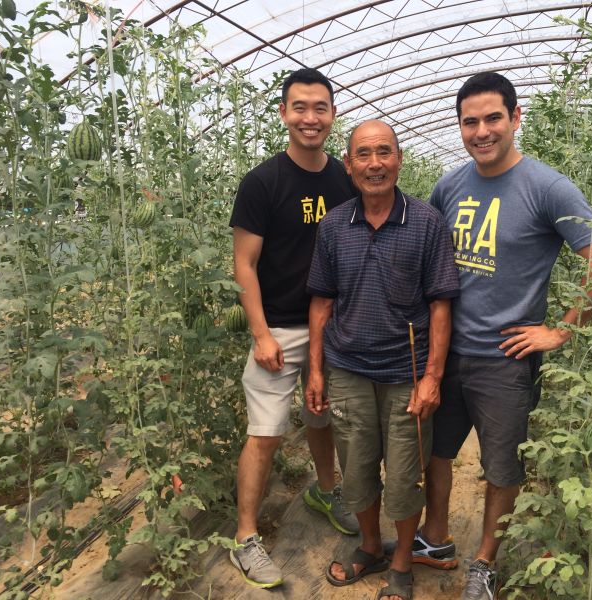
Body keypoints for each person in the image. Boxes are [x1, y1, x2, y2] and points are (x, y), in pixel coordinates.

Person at [419, 72, 592, 600]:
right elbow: (427, 257)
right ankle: (434, 538)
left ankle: (484, 561)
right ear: (460, 127)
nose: (482, 131)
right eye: (470, 121)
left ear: (515, 118)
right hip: (445, 354)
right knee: (436, 454)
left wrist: (560, 332)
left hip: (505, 360)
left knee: (502, 466)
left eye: (493, 118)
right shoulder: (450, 184)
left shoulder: (547, 187)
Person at [305, 120, 459, 600]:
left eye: (384, 152)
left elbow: (440, 304)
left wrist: (432, 375)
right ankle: (370, 545)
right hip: (348, 369)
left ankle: (400, 562)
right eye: (364, 155)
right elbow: (322, 303)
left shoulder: (427, 222)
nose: (375, 164)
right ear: (348, 165)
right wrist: (315, 368)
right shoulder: (334, 226)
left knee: (406, 469)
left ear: (399, 159)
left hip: (406, 374)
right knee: (356, 467)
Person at [228, 67, 360, 590]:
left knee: (322, 416)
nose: (311, 117)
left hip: (333, 325)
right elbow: (243, 265)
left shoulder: (344, 180)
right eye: (300, 107)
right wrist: (260, 334)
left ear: (332, 114)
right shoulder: (264, 182)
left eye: (320, 107)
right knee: (265, 434)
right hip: (280, 328)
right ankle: (244, 537)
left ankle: (326, 491)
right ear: (283, 113)